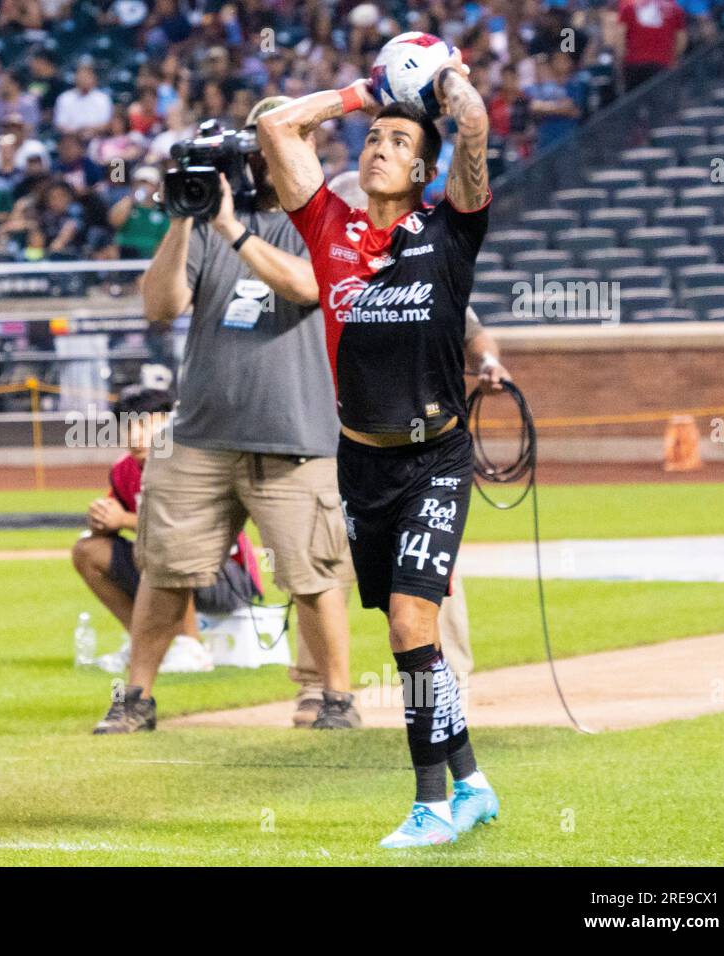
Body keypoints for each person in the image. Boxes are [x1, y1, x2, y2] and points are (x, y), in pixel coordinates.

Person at [257, 56, 500, 847]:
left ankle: (431, 805)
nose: (376, 147)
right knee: (412, 640)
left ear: (423, 169)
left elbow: (475, 132)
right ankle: (473, 784)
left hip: (437, 457)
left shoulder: (450, 230)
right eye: (371, 138)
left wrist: (447, 85)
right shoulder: (328, 227)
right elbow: (276, 126)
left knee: (408, 625)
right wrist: (366, 92)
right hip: (360, 463)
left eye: (397, 141)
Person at [93, 96, 360, 736]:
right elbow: (161, 305)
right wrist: (184, 219)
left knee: (312, 575)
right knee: (164, 567)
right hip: (202, 435)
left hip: (294, 435)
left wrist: (233, 230)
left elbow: (307, 286)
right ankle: (136, 697)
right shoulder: (211, 221)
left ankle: (338, 700)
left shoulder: (326, 219)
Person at [287, 173, 516, 726]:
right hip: (330, 447)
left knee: (427, 573)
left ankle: (448, 684)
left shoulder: (419, 269)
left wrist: (486, 363)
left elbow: (470, 329)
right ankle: (319, 689)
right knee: (318, 570)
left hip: (414, 451)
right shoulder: (325, 264)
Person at [72, 386, 263, 651]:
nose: (135, 436)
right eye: (128, 428)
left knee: (162, 542)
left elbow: (185, 527)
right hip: (166, 567)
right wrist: (101, 519)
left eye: (144, 426)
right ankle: (144, 644)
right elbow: (115, 514)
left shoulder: (190, 460)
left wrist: (123, 520)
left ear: (170, 423)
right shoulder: (123, 470)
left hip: (225, 576)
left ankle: (190, 650)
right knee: (87, 550)